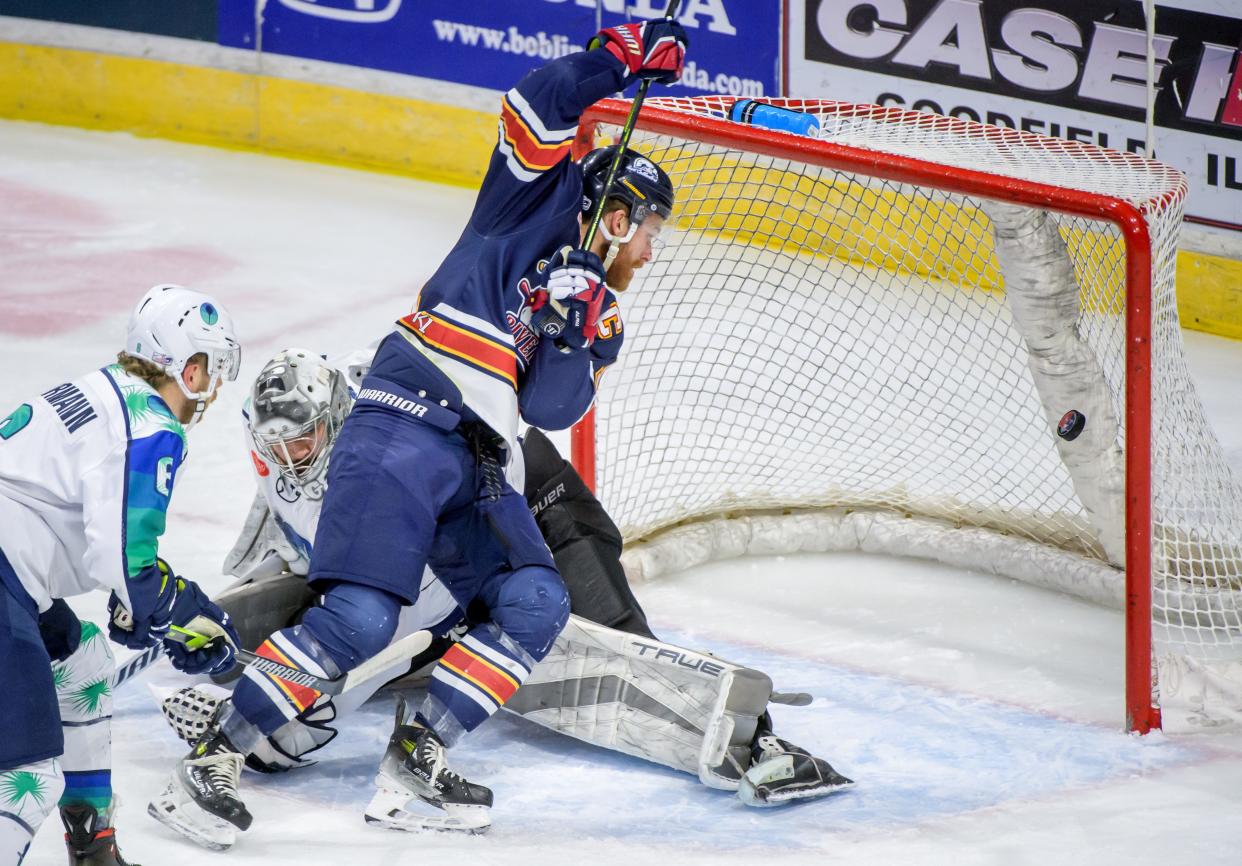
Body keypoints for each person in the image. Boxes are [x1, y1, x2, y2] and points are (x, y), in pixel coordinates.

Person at [153, 18, 692, 844]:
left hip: (479, 460)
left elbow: (552, 410)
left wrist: (573, 329)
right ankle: (213, 760)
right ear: (617, 214)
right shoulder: (531, 199)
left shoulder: (603, 309)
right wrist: (611, 64)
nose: (653, 251)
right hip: (405, 416)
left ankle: (418, 756)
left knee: (536, 600)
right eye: (651, 229)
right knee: (362, 619)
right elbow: (530, 107)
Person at [150, 345, 853, 848]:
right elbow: (266, 571)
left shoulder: (378, 454)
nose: (287, 462)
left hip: (525, 502)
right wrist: (194, 625)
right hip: (441, 540)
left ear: (334, 423)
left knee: (604, 632)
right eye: (278, 450)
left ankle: (745, 736)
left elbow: (403, 618)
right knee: (387, 617)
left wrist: (299, 714)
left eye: (303, 446)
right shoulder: (294, 462)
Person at [0, 285, 243, 866]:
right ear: (187, 367)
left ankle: (94, 848)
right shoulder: (152, 424)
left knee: (85, 666)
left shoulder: (99, 390)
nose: (209, 390)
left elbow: (96, 538)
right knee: (25, 775)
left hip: (13, 575)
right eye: (209, 371)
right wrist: (183, 613)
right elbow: (127, 566)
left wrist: (148, 608)